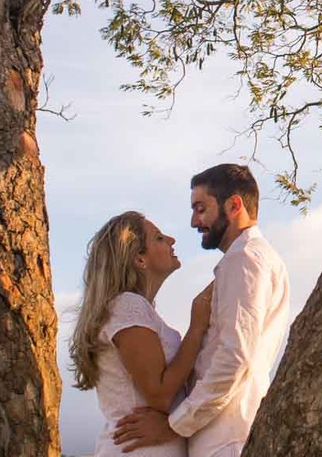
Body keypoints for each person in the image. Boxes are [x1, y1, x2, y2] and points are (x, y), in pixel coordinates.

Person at [114, 164, 290, 457]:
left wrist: (175, 425)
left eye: (201, 209)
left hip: (225, 438)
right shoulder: (251, 258)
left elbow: (234, 357)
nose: (194, 222)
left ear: (234, 205)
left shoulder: (245, 259)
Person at [70, 211, 214, 457]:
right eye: (158, 238)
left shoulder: (135, 309)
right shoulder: (127, 306)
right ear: (139, 259)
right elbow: (159, 396)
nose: (171, 240)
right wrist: (197, 327)